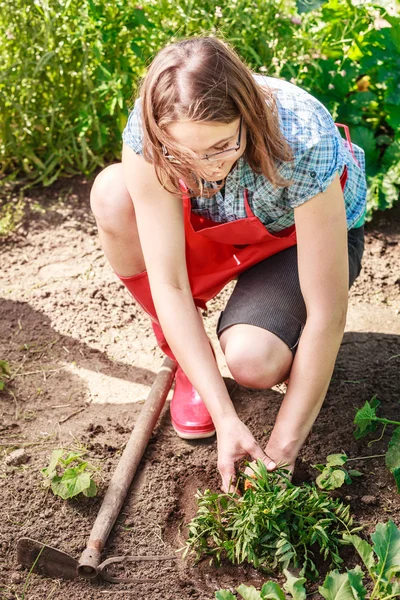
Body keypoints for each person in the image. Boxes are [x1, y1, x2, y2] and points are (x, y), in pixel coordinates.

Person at [90, 36, 366, 493]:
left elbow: (327, 313)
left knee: (253, 363)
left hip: (291, 242)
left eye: (222, 146)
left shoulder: (303, 138)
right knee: (112, 195)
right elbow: (171, 285)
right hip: (211, 228)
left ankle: (248, 329)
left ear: (247, 116)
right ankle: (186, 361)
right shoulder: (150, 132)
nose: (207, 168)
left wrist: (280, 452)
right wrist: (226, 419)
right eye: (185, 154)